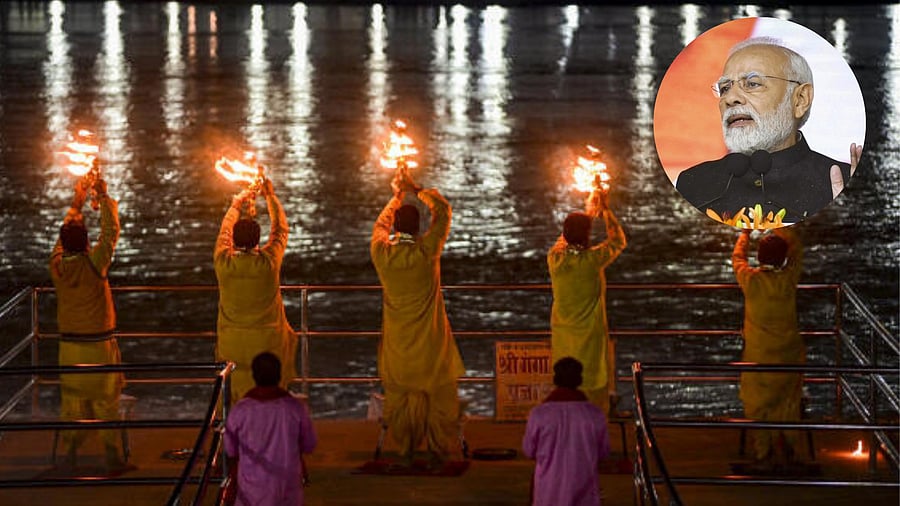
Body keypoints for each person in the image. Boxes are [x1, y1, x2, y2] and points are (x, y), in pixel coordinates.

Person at [676, 36, 862, 223]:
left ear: (800, 100)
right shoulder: (693, 183)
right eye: (724, 88)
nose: (730, 98)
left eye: (752, 84)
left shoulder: (840, 182)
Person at [369, 169, 466, 466]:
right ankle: (439, 450)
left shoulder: (381, 254)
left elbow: (379, 227)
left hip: (398, 347)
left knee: (398, 398)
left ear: (396, 226)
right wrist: (417, 189)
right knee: (440, 400)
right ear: (420, 227)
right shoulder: (428, 252)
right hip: (431, 345)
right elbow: (444, 212)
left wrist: (396, 196)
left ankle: (405, 449)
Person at [49, 173, 127, 473]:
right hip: (99, 345)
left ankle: (67, 459)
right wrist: (104, 196)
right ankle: (112, 458)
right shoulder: (95, 264)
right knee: (107, 402)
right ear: (86, 245)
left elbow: (62, 240)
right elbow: (111, 232)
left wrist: (78, 202)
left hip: (69, 347)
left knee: (71, 405)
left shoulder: (56, 266)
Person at [215, 178, 296, 404]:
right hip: (267, 346)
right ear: (258, 240)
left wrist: (236, 205)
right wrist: (270, 196)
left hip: (231, 346)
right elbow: (280, 229)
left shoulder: (223, 262)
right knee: (268, 401)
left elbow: (223, 233)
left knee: (233, 404)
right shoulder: (268, 263)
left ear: (233, 239)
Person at [548, 184, 626, 415]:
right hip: (590, 339)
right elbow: (618, 241)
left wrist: (590, 211)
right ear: (587, 235)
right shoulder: (593, 260)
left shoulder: (555, 260)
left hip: (563, 335)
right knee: (592, 386)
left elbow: (564, 241)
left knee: (566, 386)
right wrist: (605, 212)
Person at [732, 226, 804, 467]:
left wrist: (745, 234)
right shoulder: (788, 280)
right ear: (782, 258)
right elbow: (797, 249)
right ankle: (788, 447)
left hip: (759, 355)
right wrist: (777, 224)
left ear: (760, 257)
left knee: (757, 403)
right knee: (788, 403)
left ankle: (764, 452)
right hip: (788, 354)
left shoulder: (751, 281)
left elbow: (737, 259)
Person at [224, 352, 317, 506]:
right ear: (280, 375)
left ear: (254, 376)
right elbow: (309, 444)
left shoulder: (240, 410)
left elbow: (230, 450)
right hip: (287, 489)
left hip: (251, 491)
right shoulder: (294, 408)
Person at [523, 357, 610, 506]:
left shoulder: (539, 414)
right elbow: (603, 452)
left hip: (548, 490)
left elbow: (529, 451)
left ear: (555, 379)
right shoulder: (595, 414)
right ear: (579, 380)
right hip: (584, 489)